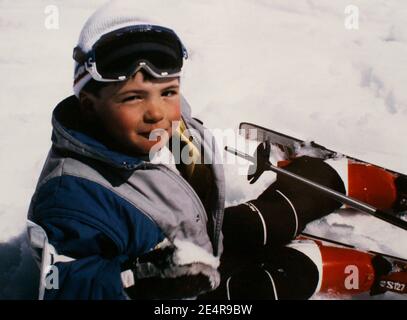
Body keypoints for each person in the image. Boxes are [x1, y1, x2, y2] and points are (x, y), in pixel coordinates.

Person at [27, 1, 386, 300]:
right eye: (133, 97)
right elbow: (59, 283)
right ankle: (308, 265)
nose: (157, 111)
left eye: (167, 92)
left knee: (276, 213)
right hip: (174, 293)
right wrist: (138, 279)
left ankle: (338, 181)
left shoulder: (161, 124)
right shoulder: (70, 197)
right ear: (90, 105)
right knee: (264, 288)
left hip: (201, 239)